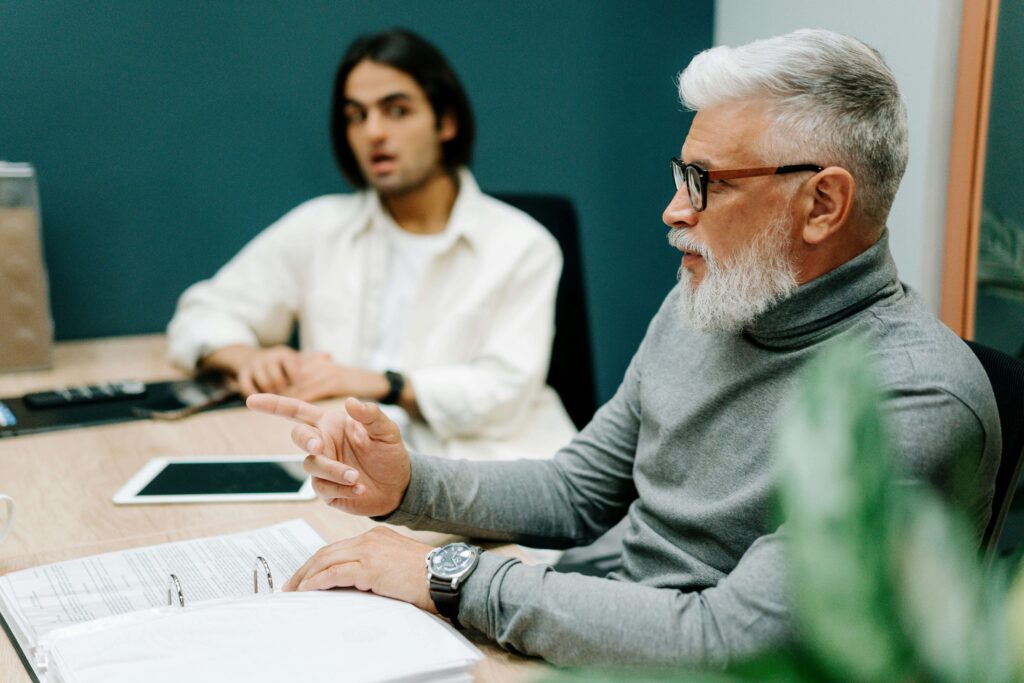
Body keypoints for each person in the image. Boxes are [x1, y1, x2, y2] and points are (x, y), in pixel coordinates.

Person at [247, 29, 1001, 666]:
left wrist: (452, 575)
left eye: (704, 181)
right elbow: (580, 490)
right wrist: (405, 484)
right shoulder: (706, 301)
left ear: (822, 204)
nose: (675, 210)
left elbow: (727, 644)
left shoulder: (915, 398)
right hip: (586, 627)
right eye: (682, 175)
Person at [166, 28, 576, 460]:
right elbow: (201, 314)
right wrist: (247, 357)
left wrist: (383, 383)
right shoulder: (319, 226)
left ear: (447, 122)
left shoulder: (523, 244)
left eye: (396, 111)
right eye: (356, 116)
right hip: (343, 471)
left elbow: (504, 394)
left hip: (489, 473)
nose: (373, 132)